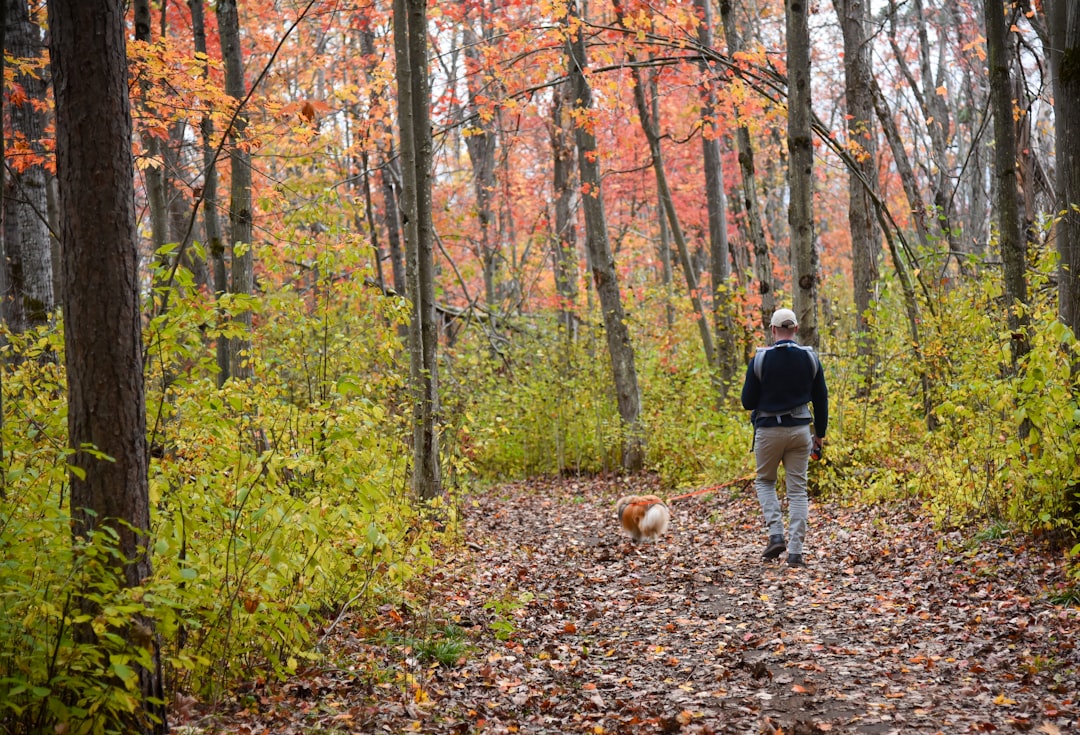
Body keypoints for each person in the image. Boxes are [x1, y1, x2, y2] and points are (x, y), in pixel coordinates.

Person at [740, 308, 828, 568]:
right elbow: (821, 400)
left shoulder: (760, 359)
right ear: (796, 330)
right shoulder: (810, 357)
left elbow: (747, 402)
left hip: (768, 432)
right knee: (798, 491)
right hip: (801, 431)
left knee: (765, 481)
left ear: (773, 330)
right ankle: (795, 553)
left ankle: (776, 533)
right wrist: (819, 436)